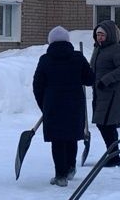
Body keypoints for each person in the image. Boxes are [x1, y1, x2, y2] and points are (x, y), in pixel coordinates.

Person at [32, 26, 95, 185]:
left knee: (57, 140)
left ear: (50, 41)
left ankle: (60, 175)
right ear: (68, 41)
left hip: (53, 105)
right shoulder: (78, 58)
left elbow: (37, 85)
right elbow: (89, 80)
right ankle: (70, 167)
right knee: (71, 136)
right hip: (75, 104)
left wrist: (43, 105)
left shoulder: (45, 60)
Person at [90, 19, 120, 167]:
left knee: (107, 124)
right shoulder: (98, 48)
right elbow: (94, 67)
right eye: (97, 34)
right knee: (103, 124)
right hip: (101, 92)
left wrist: (105, 80)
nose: (99, 37)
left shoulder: (117, 49)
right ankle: (113, 155)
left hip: (113, 92)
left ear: (110, 35)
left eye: (102, 34)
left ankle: (114, 157)